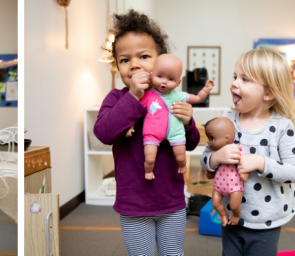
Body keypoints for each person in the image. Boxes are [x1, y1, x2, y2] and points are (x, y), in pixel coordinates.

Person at [92, 9, 199, 255]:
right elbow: (104, 133)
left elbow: (191, 143)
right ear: (117, 65)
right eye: (125, 60)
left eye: (144, 56)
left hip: (171, 199)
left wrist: (188, 122)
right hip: (134, 204)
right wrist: (132, 97)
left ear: (161, 60)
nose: (135, 64)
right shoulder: (117, 97)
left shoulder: (173, 99)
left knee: (173, 253)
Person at [202, 49, 295, 255]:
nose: (234, 83)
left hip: (266, 220)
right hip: (231, 215)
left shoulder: (282, 127)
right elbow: (205, 159)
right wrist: (216, 157)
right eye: (235, 77)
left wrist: (260, 162)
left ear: (268, 93)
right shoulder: (226, 120)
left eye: (245, 79)